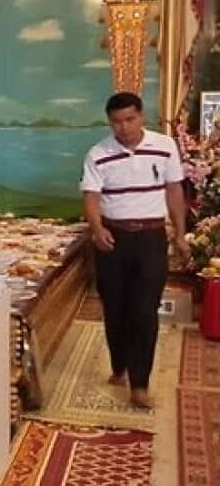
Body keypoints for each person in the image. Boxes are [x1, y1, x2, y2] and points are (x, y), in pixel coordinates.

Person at [81, 92, 187, 409]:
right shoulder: (98, 153)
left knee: (144, 310)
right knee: (115, 307)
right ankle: (119, 365)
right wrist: (97, 229)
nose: (124, 128)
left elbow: (174, 189)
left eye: (130, 119)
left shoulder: (165, 146)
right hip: (113, 239)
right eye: (117, 122)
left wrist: (181, 234)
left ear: (142, 116)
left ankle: (140, 383)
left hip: (152, 238)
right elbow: (91, 196)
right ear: (109, 122)